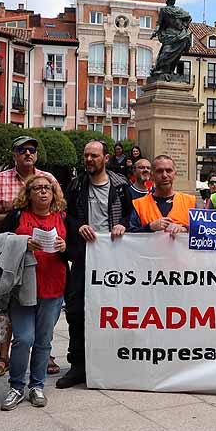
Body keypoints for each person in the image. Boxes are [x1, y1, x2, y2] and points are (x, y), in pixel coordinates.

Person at [0, 135, 56, 378]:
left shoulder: (48, 179)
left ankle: (45, 353)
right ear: (14, 154)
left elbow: (58, 208)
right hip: (7, 253)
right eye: (22, 150)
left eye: (31, 149)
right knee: (2, 306)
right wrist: (10, 221)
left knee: (41, 305)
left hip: (39, 254)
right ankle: (2, 356)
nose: (27, 153)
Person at [58, 141, 130, 389]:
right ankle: (78, 364)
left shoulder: (121, 186)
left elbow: (131, 215)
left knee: (113, 310)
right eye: (86, 155)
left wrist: (124, 225)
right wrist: (78, 226)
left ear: (106, 158)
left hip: (113, 258)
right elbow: (65, 214)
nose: (89, 159)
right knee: (76, 310)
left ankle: (112, 361)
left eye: (94, 156)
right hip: (83, 256)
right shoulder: (77, 185)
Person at [0, 175, 68, 411]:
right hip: (23, 288)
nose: (43, 192)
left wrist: (64, 248)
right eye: (37, 188)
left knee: (43, 340)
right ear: (28, 194)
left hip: (53, 287)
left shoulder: (64, 217)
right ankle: (16, 386)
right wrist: (22, 242)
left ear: (53, 192)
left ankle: (36, 385)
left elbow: (78, 250)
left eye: (47, 188)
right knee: (23, 338)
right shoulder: (17, 216)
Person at [128, 155, 198, 234]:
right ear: (152, 176)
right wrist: (149, 227)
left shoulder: (190, 202)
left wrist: (185, 229)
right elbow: (130, 236)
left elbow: (201, 232)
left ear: (175, 174)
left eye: (169, 171)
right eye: (159, 171)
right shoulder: (139, 205)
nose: (164, 175)